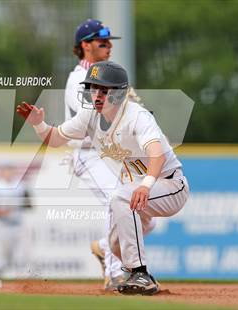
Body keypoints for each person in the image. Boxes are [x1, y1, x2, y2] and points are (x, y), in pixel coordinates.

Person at [16, 61, 189, 295]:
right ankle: (134, 271)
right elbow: (55, 138)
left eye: (103, 90)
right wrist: (39, 125)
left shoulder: (137, 117)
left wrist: (146, 186)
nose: (96, 95)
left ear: (118, 94)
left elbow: (156, 155)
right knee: (115, 244)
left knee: (120, 197)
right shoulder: (89, 116)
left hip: (170, 185)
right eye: (92, 88)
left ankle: (141, 274)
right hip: (138, 189)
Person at [64, 19, 126, 290]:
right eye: (103, 42)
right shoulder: (79, 78)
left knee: (144, 216)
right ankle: (115, 274)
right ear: (86, 46)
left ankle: (103, 247)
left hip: (111, 155)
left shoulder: (109, 76)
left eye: (110, 41)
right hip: (87, 154)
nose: (109, 45)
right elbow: (91, 119)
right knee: (116, 199)